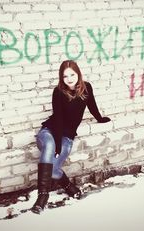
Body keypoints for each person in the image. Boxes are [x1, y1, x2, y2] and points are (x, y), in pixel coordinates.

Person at [31, 60, 111, 214]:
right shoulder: (58, 91)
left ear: (78, 73)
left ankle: (68, 186)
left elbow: (92, 105)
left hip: (67, 136)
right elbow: (59, 118)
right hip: (50, 131)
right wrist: (57, 145)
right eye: (65, 76)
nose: (69, 78)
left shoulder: (86, 88)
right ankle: (42, 196)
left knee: (54, 170)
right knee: (49, 146)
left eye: (72, 74)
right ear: (61, 78)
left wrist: (100, 119)